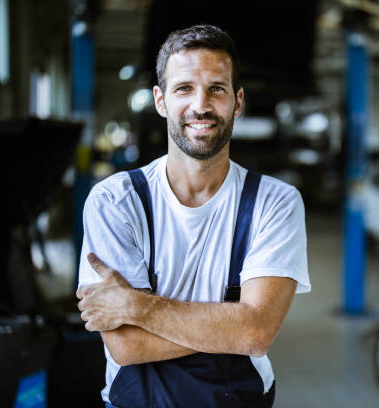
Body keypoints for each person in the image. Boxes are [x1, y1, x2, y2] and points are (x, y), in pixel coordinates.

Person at [76, 24, 310, 408]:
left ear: (237, 101)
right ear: (160, 100)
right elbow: (126, 345)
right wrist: (226, 328)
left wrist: (138, 307)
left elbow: (255, 334)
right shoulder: (115, 201)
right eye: (184, 88)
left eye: (216, 88)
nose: (200, 105)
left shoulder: (275, 202)